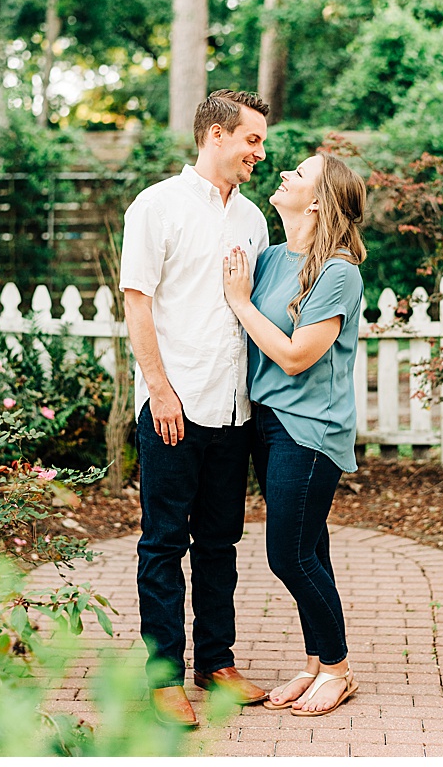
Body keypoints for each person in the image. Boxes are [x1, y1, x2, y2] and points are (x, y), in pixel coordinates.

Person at [120, 90, 272, 727]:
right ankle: (164, 678)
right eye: (252, 140)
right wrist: (159, 389)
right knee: (162, 543)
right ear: (215, 134)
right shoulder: (156, 206)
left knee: (221, 542)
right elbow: (137, 303)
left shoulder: (255, 220)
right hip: (172, 406)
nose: (259, 153)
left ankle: (217, 662)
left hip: (233, 407)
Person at [221, 152, 366, 717]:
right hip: (267, 422)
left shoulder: (338, 271)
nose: (284, 174)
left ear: (320, 200)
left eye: (300, 174)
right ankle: (315, 664)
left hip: (309, 431)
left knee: (288, 555)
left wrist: (238, 301)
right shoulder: (274, 257)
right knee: (311, 550)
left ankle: (338, 669)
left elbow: (295, 356)